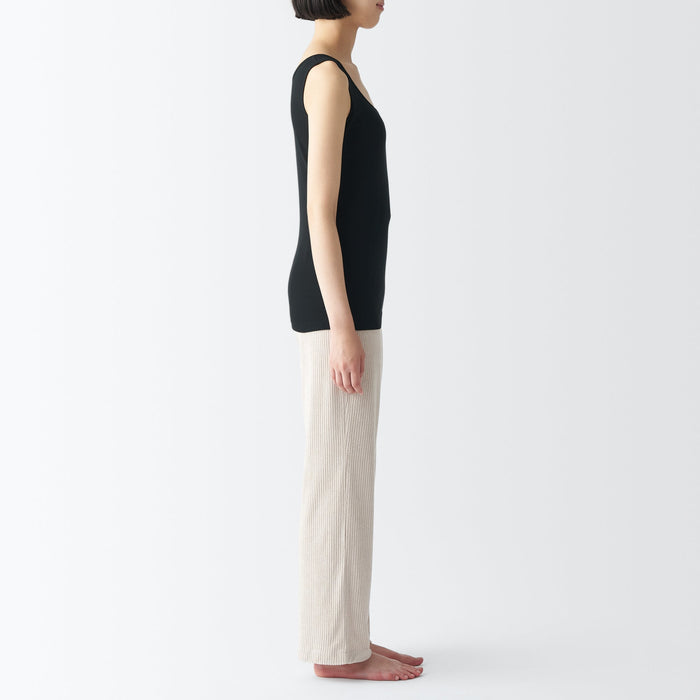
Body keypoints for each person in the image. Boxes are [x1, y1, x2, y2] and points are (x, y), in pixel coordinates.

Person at [288, 0, 424, 682]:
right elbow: (320, 211)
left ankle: (348, 636)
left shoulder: (344, 69)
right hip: (334, 310)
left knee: (350, 477)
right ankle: (337, 653)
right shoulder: (325, 75)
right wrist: (342, 327)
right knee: (337, 481)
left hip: (352, 305)